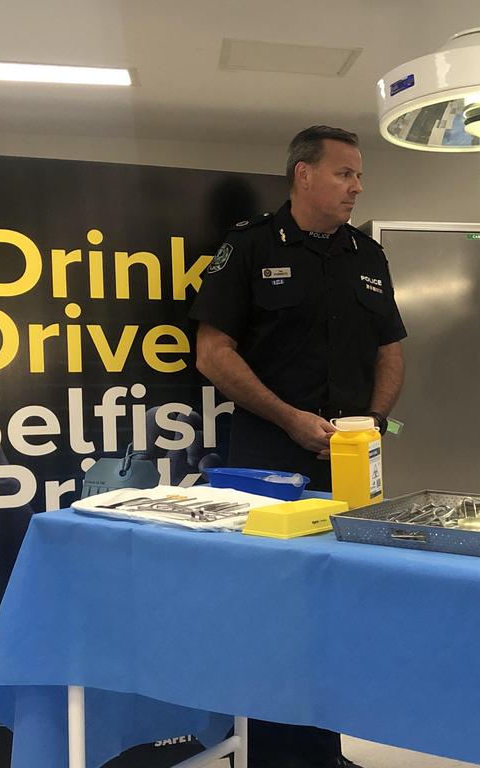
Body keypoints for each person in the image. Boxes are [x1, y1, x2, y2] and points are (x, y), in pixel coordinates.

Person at [190, 125, 407, 768]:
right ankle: (267, 753)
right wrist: (290, 419)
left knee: (339, 611)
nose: (357, 187)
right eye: (345, 174)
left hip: (348, 467)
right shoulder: (249, 248)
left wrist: (370, 424)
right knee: (270, 610)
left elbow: (391, 352)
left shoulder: (368, 255)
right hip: (267, 461)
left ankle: (325, 751)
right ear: (303, 175)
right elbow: (212, 353)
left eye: (360, 176)